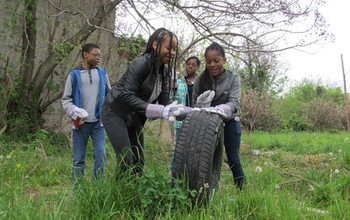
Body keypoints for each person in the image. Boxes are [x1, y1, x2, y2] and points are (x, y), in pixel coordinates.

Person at [102, 28, 191, 174]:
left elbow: (164, 101)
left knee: (138, 162)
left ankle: (133, 194)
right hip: (115, 112)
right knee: (126, 159)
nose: (173, 53)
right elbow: (126, 94)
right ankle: (117, 195)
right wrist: (152, 109)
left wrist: (183, 110)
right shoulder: (141, 64)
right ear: (155, 45)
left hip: (135, 116)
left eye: (174, 49)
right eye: (169, 48)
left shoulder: (165, 71)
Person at [192, 42, 245, 190]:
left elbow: (235, 102)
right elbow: (193, 104)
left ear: (224, 60)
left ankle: (243, 190)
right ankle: (205, 190)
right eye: (208, 61)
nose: (212, 65)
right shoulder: (201, 79)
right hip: (206, 123)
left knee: (233, 159)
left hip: (229, 121)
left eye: (216, 61)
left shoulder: (233, 77)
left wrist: (220, 109)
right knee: (204, 159)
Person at [61, 43, 111, 183]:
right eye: (95, 55)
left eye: (100, 55)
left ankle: (98, 188)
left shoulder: (102, 73)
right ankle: (77, 191)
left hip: (98, 124)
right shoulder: (74, 75)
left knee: (101, 155)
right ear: (85, 54)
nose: (98, 58)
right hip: (80, 124)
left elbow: (109, 96)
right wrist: (74, 110)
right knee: (78, 159)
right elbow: (66, 100)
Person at [174, 56, 201, 141]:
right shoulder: (178, 82)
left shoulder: (201, 83)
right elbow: (171, 98)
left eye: (193, 65)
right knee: (179, 147)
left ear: (197, 67)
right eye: (188, 64)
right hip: (181, 121)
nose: (190, 66)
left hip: (197, 121)